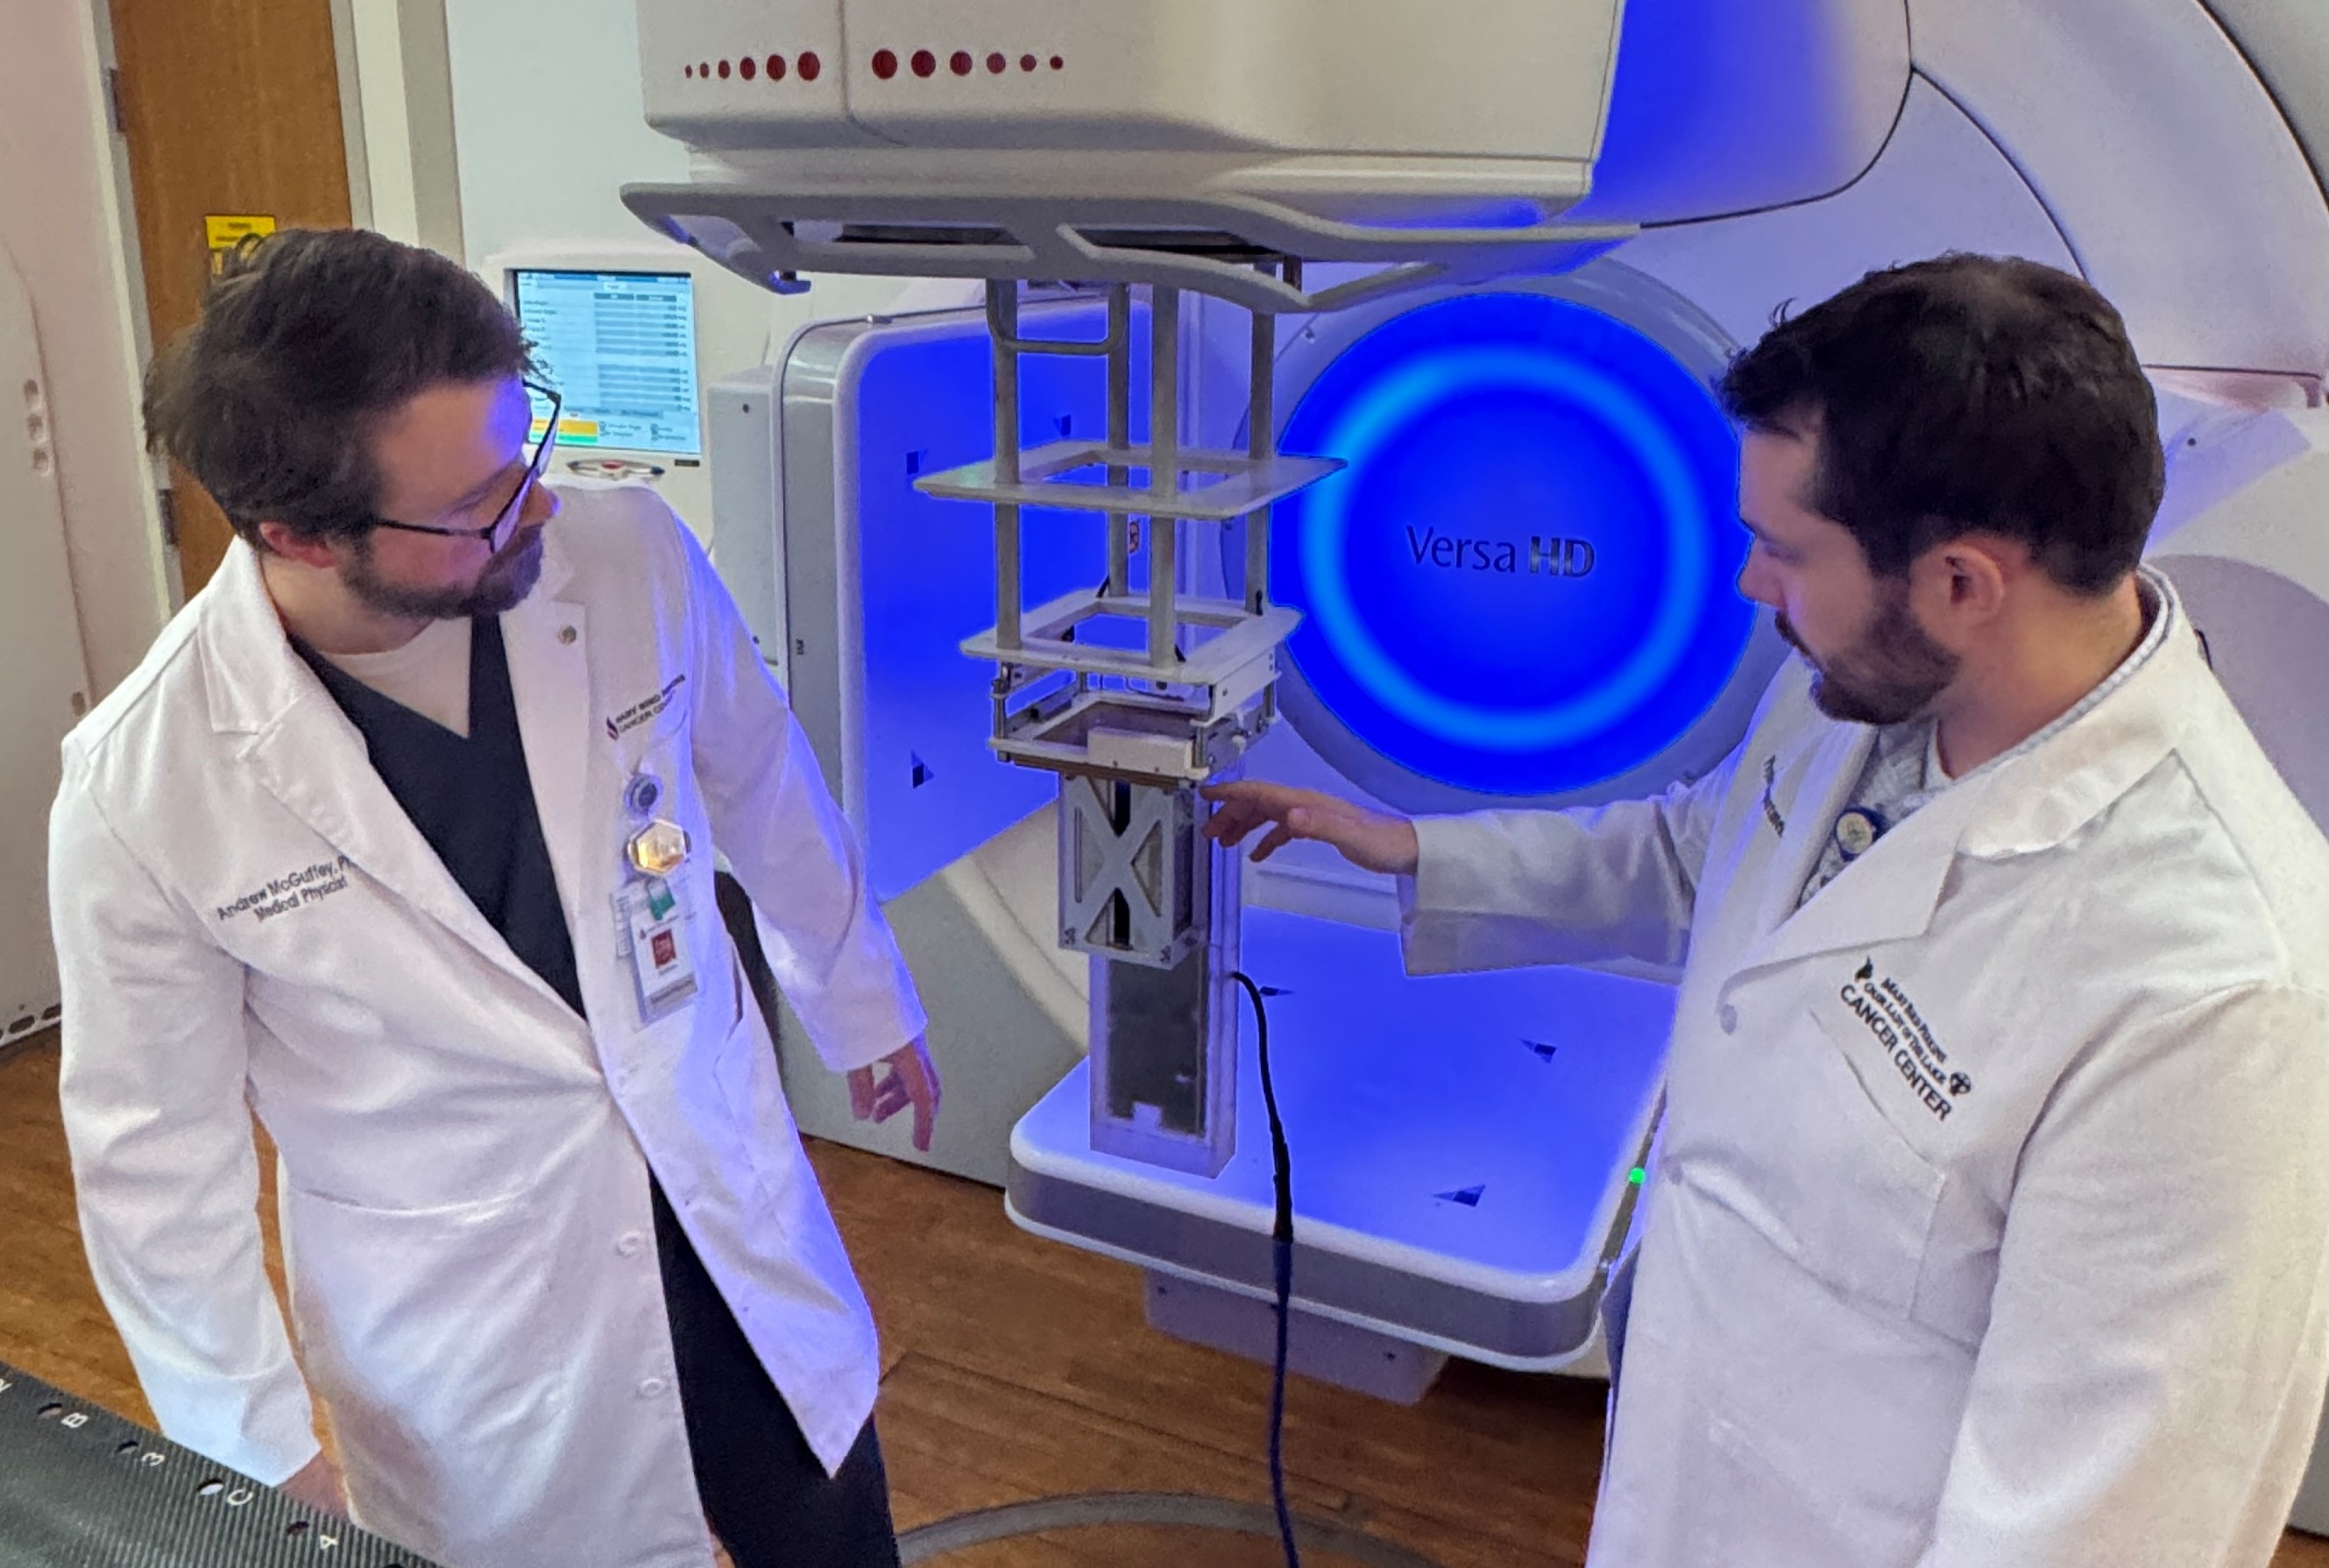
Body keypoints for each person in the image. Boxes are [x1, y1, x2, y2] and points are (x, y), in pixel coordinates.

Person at [1206, 254, 2329, 1567]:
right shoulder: (1864, 685)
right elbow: (1710, 853)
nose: (1748, 583)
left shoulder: (2217, 991)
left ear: (1960, 582)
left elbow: (2113, 1522)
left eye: (1784, 550)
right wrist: (1412, 846)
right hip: (1694, 1477)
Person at [48, 228, 940, 1568]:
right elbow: (154, 1162)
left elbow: (761, 776)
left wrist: (858, 995)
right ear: (294, 530)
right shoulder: (147, 782)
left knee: (825, 1524)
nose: (537, 507)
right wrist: (255, 1462)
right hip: (476, 1311)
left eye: (529, 449)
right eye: (477, 501)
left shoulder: (624, 555)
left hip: (719, 1202)